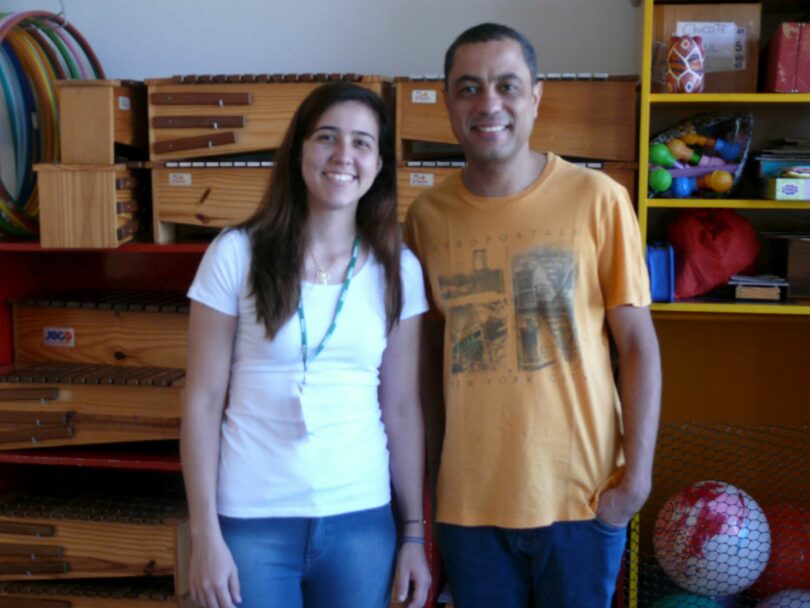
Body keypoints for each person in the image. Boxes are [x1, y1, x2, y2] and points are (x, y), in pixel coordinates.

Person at [403, 23, 662, 608]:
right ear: (447, 102)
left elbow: (637, 346)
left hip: (582, 501)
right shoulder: (426, 217)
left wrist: (636, 483)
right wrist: (433, 484)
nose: (488, 103)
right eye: (468, 88)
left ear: (536, 97)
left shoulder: (598, 199)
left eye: (507, 85)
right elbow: (427, 365)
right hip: (468, 508)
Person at [181, 81, 431, 608]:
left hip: (361, 522)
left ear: (379, 164)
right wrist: (204, 537)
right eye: (327, 137)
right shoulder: (235, 253)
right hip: (251, 521)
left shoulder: (399, 269)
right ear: (299, 150)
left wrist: (413, 533)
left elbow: (403, 407)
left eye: (362, 142)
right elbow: (202, 400)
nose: (344, 155)